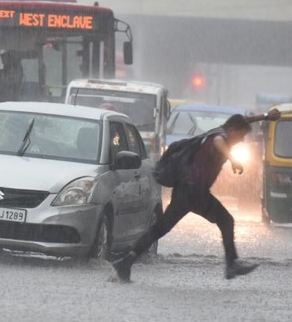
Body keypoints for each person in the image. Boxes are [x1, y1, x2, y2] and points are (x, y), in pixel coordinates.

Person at [111, 114, 260, 283]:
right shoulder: (220, 138)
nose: (241, 140)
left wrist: (266, 116)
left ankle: (126, 261)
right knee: (226, 221)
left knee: (161, 227)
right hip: (196, 192)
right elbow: (220, 142)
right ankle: (231, 264)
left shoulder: (216, 131)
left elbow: (241, 120)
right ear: (232, 130)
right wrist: (233, 159)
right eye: (241, 136)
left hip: (183, 189)